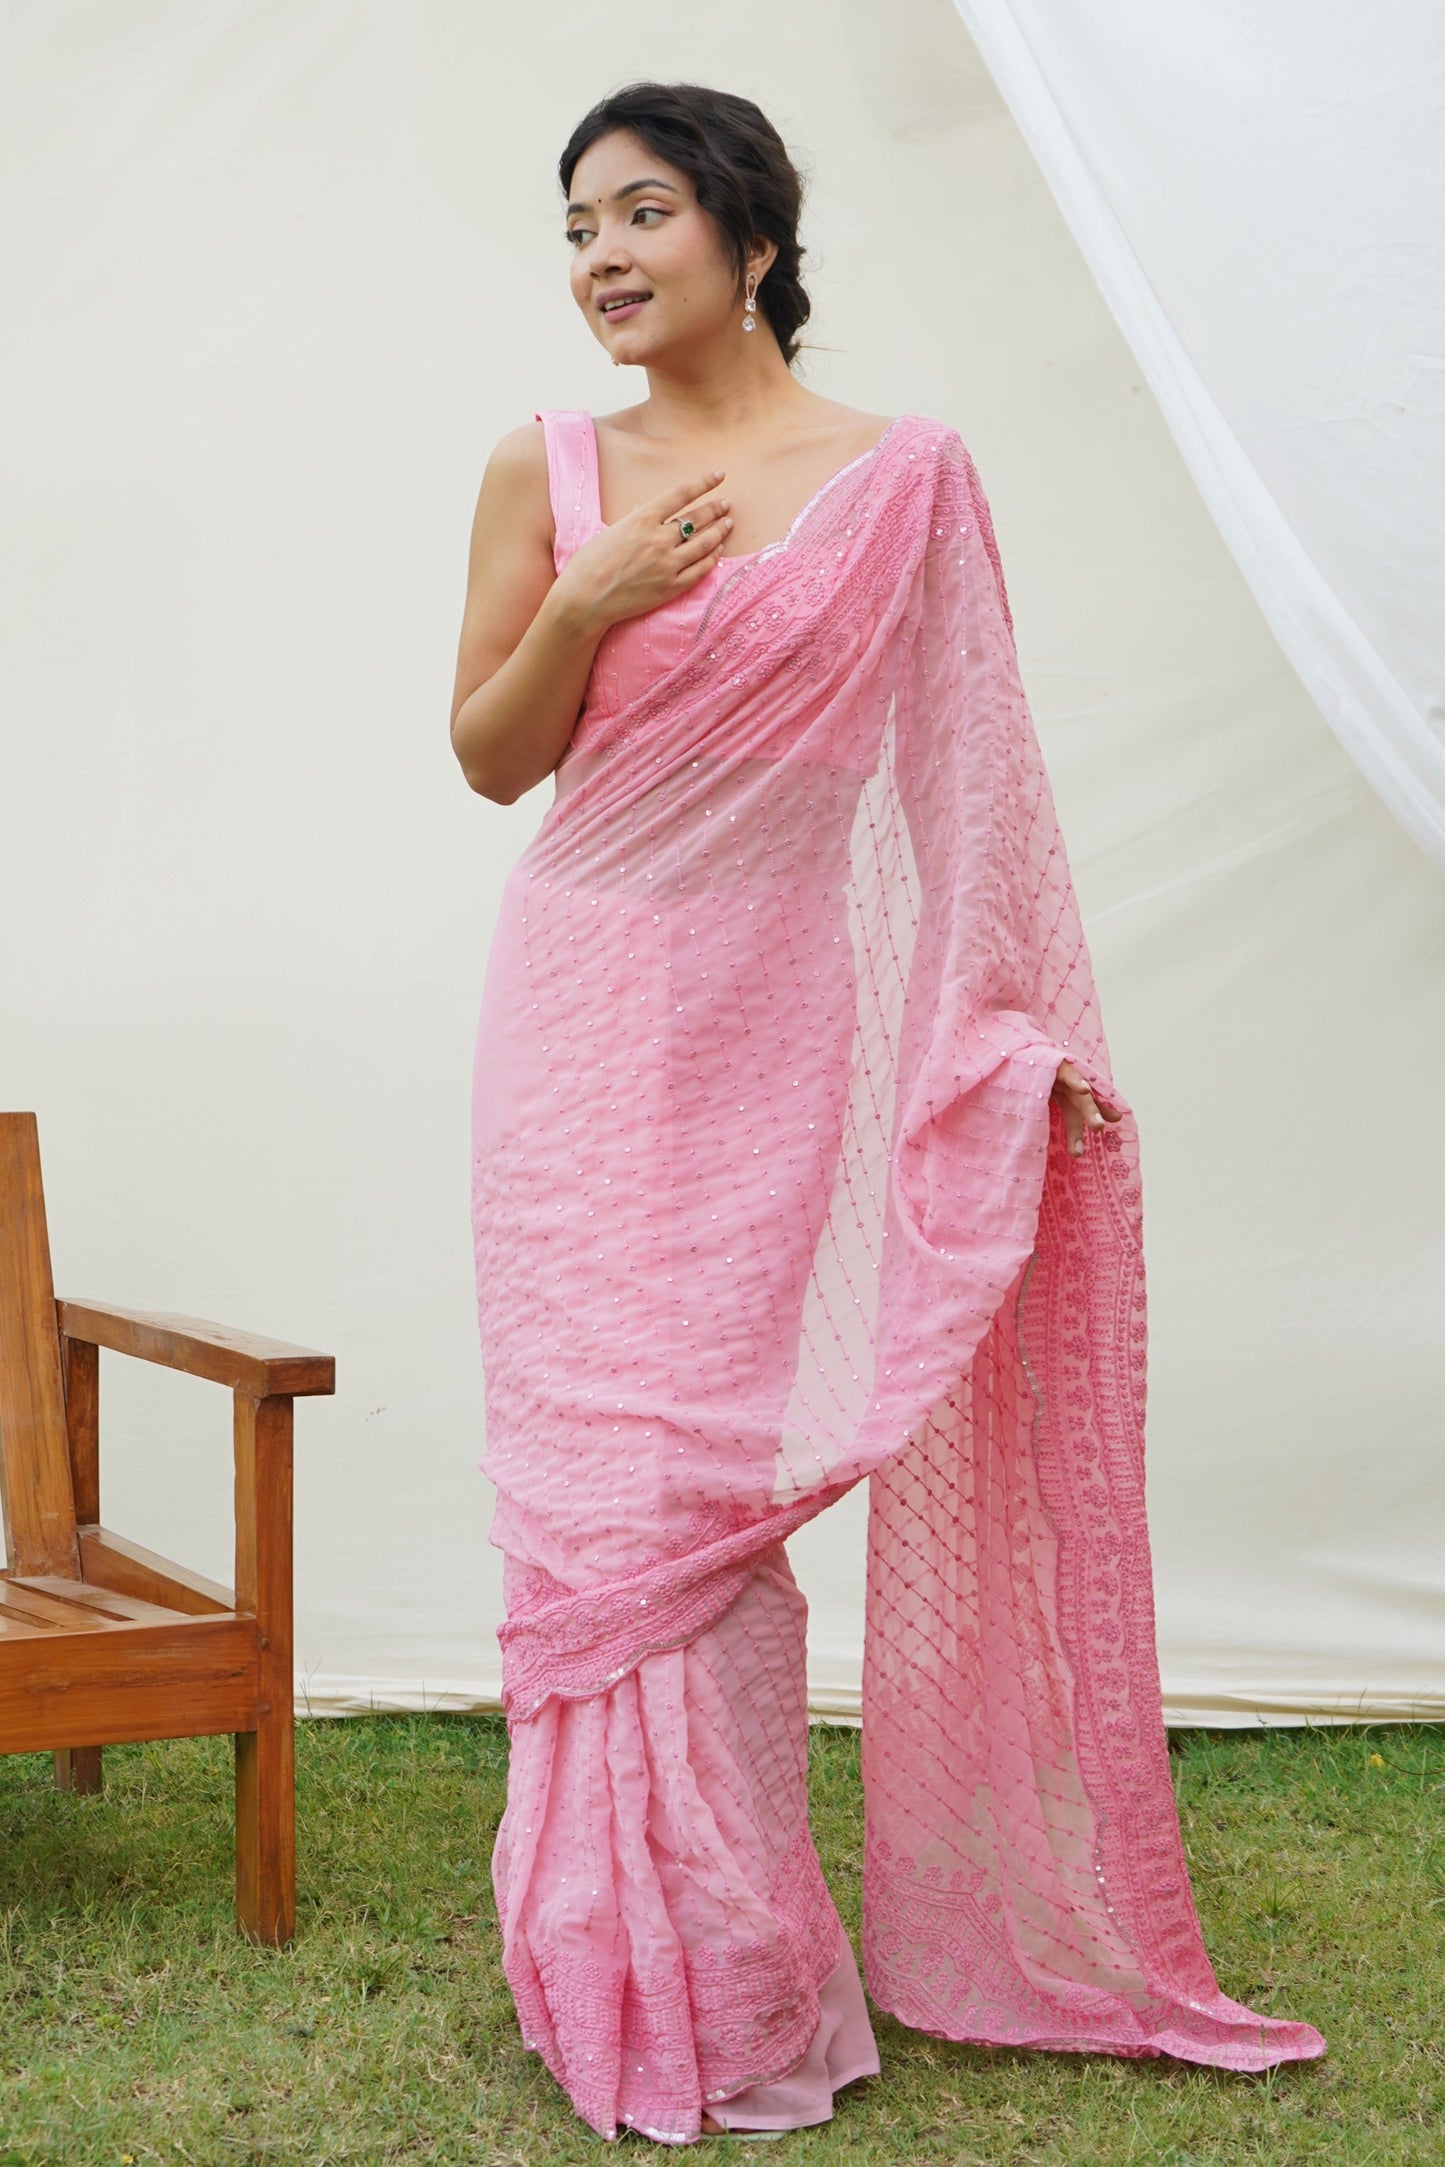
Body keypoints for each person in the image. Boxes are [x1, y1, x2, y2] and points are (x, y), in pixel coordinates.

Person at [449, 80, 1325, 2147]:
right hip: (575, 1014)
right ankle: (618, 1952)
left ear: (751, 239)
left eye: (641, 213)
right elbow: (490, 754)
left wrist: (1017, 1032)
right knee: (591, 1491)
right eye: (576, 227)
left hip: (772, 1022)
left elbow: (967, 774)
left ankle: (735, 1956)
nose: (599, 258)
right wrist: (585, 603)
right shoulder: (543, 467)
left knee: (700, 1483)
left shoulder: (905, 479)